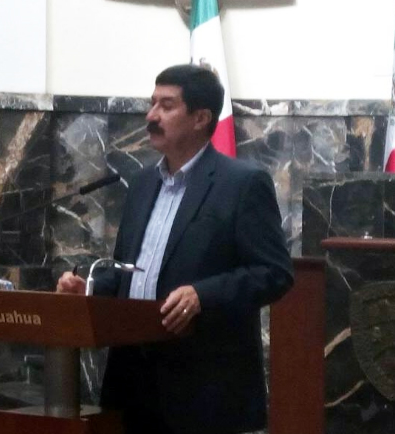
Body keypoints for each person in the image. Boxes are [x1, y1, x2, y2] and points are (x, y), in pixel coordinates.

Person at [56, 64, 293, 434]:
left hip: (203, 392)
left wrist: (202, 295)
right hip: (132, 386)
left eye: (166, 106)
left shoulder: (242, 184)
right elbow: (128, 272)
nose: (151, 115)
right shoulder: (141, 183)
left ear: (200, 118)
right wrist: (86, 289)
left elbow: (274, 273)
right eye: (152, 104)